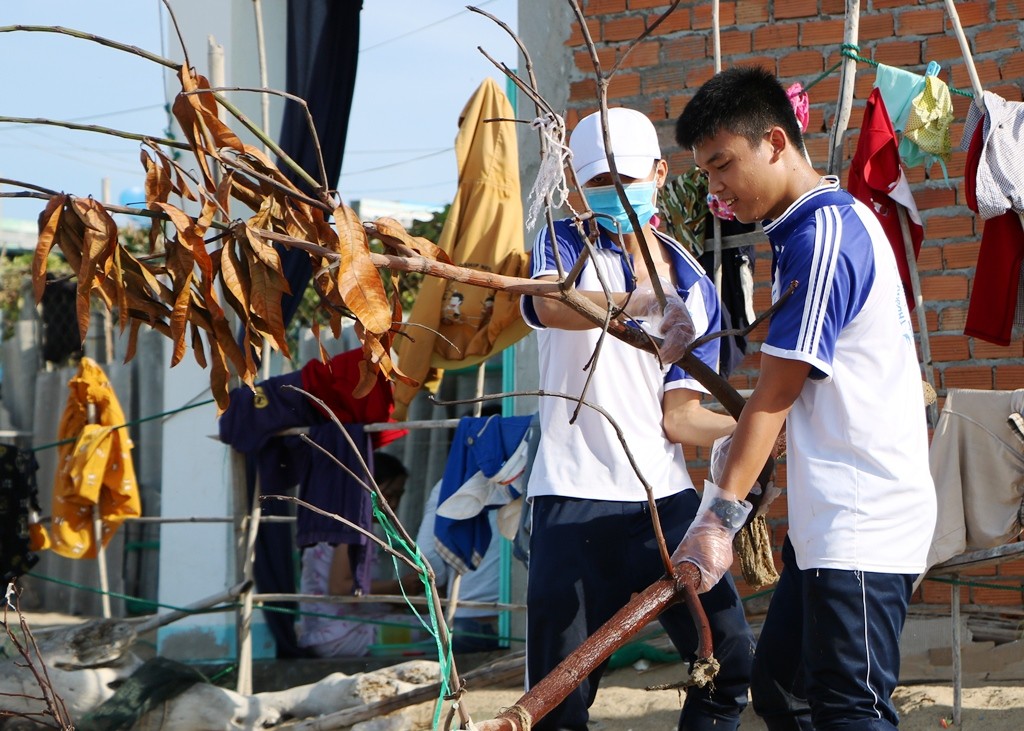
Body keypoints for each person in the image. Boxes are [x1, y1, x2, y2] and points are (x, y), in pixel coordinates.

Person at [672, 66, 937, 731]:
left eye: (723, 163)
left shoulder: (823, 237)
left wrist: (718, 519)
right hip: (826, 521)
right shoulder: (801, 230)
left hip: (863, 521)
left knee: (851, 708)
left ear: (775, 142)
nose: (717, 188)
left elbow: (775, 396)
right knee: (782, 688)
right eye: (706, 173)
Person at [520, 106, 754, 731]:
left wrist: (754, 423)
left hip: (665, 501)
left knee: (729, 662)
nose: (615, 196)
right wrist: (637, 301)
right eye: (599, 183)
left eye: (628, 180)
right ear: (576, 184)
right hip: (572, 500)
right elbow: (546, 305)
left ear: (658, 171)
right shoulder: (563, 243)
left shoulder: (696, 283)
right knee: (557, 698)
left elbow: (680, 420)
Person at [296, 452, 423, 657]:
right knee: (436, 630)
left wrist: (398, 597)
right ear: (366, 489)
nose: (393, 505)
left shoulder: (347, 524)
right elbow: (340, 587)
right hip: (338, 635)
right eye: (388, 495)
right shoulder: (351, 529)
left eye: (399, 496)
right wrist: (397, 587)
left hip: (336, 630)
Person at [415, 477, 503, 653]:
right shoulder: (521, 472)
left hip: (462, 618)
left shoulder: (449, 481)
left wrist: (439, 582)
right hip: (512, 621)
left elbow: (426, 555)